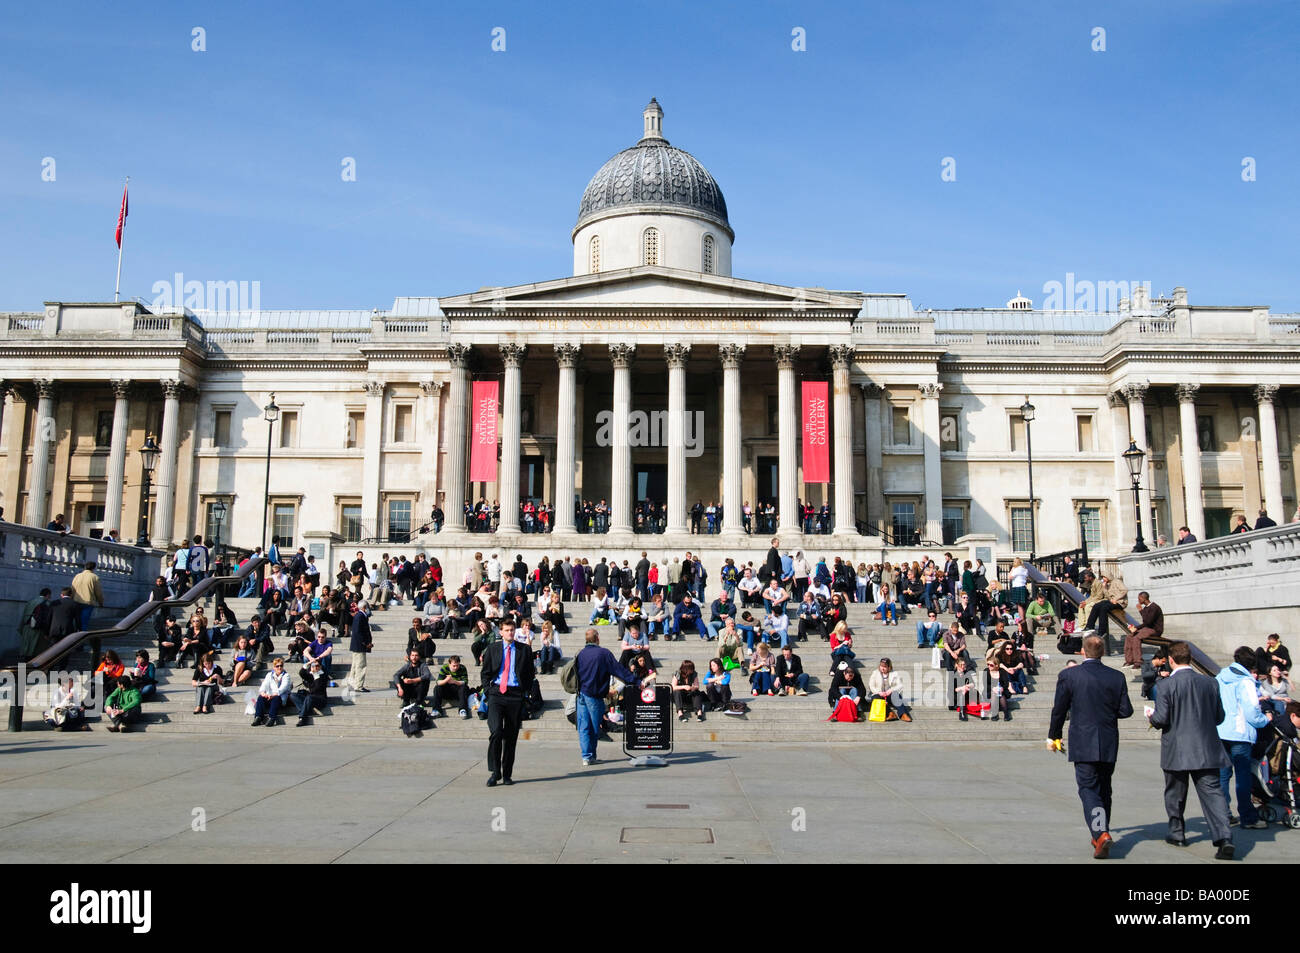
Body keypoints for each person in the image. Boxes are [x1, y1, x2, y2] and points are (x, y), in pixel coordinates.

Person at [1047, 635, 1134, 859]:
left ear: (1082, 652)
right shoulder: (1116, 676)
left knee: (1088, 789)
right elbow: (1126, 711)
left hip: (1083, 739)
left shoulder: (1069, 675)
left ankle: (1100, 832)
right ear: (1102, 652)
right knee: (1105, 788)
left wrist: (1053, 736)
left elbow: (1059, 709)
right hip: (1107, 740)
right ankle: (1100, 832)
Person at [1147, 641, 1235, 858]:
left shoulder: (1166, 686)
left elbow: (1161, 719)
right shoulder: (1210, 683)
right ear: (1190, 659)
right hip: (1206, 747)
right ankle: (1224, 838)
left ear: (1171, 660)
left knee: (1175, 794)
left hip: (1177, 749)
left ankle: (1177, 834)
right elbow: (1219, 717)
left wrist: (1151, 716)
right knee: (1213, 793)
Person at [1215, 646, 1272, 829]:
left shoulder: (1221, 677)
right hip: (1240, 733)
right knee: (1243, 776)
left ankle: (1224, 815)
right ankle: (1248, 817)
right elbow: (1251, 711)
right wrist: (1265, 720)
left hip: (1221, 731)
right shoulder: (1245, 681)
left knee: (1223, 775)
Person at [573, 628, 641, 765]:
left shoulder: (581, 653)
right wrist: (636, 681)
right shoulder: (603, 653)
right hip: (595, 695)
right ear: (597, 638)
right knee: (593, 727)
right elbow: (619, 670)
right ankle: (590, 756)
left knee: (584, 727)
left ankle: (586, 757)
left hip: (581, 694)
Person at [480, 619, 535, 785]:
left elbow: (530, 673)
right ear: (501, 632)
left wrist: (524, 692)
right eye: (507, 630)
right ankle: (495, 772)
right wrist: (488, 691)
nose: (510, 633)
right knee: (496, 732)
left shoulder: (524, 649)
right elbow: (485, 673)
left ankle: (507, 774)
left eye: (512, 630)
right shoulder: (493, 649)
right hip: (497, 693)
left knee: (511, 737)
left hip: (515, 695)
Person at [1124, 591, 1163, 670]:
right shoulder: (1146, 608)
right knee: (1129, 636)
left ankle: (1138, 661)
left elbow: (1148, 622)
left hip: (1155, 630)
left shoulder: (1154, 607)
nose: (1138, 600)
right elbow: (1145, 622)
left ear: (1143, 598)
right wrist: (1136, 628)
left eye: (1139, 598)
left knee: (1136, 638)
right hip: (1147, 628)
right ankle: (1129, 660)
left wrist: (1140, 610)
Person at [251, 657, 293, 727]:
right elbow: (263, 685)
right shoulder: (269, 675)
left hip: (280, 698)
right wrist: (263, 693)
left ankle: (272, 718)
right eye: (277, 666)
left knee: (276, 698)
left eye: (281, 666)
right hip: (270, 697)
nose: (279, 668)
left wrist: (273, 695)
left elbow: (283, 688)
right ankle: (258, 717)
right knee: (260, 697)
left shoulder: (286, 676)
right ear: (274, 667)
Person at [292, 659, 331, 726]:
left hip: (320, 699)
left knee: (309, 697)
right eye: (313, 666)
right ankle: (305, 711)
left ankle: (302, 718)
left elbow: (316, 689)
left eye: (317, 666)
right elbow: (302, 673)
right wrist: (307, 664)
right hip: (310, 698)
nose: (315, 668)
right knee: (293, 695)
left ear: (320, 667)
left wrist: (315, 674)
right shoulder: (311, 674)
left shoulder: (323, 675)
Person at [70, 561, 104, 634]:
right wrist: (101, 602)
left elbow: (72, 589)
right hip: (88, 602)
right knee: (84, 623)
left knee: (76, 622)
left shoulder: (77, 576)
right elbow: (98, 593)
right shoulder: (94, 577)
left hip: (76, 601)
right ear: (94, 568)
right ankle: (81, 639)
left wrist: (71, 599)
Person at [347, 599, 373, 693]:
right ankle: (358, 685)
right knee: (360, 665)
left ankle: (352, 683)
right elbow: (358, 632)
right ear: (365, 607)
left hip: (358, 645)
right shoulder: (360, 616)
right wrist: (366, 643)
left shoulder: (361, 616)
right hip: (360, 645)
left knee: (355, 665)